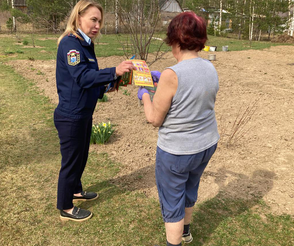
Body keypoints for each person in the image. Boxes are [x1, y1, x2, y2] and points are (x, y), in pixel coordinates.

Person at [137, 12, 220, 246]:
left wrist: (145, 95)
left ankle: (174, 241)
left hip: (177, 151)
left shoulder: (171, 75)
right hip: (205, 144)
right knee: (190, 188)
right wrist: (160, 82)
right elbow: (192, 95)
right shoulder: (209, 68)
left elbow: (154, 119)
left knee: (172, 200)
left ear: (175, 39)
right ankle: (186, 232)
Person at [54, 0, 134, 222]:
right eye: (93, 19)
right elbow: (81, 77)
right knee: (71, 161)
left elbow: (91, 82)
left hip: (83, 113)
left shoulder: (86, 45)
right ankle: (65, 207)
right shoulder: (71, 44)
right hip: (71, 115)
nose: (97, 25)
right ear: (79, 18)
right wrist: (113, 70)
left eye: (99, 21)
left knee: (81, 157)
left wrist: (113, 82)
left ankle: (76, 191)